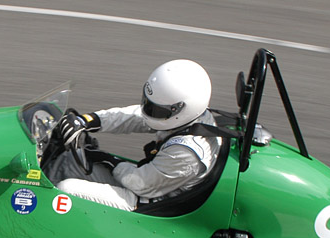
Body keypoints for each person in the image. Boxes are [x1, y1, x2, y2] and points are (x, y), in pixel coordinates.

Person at [45, 60, 223, 211]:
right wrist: (88, 121)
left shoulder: (186, 151)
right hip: (151, 182)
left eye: (157, 109)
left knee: (66, 189)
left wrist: (109, 160)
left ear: (181, 109)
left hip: (153, 204)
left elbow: (141, 184)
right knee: (69, 162)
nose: (149, 110)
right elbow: (137, 117)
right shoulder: (191, 117)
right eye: (149, 103)